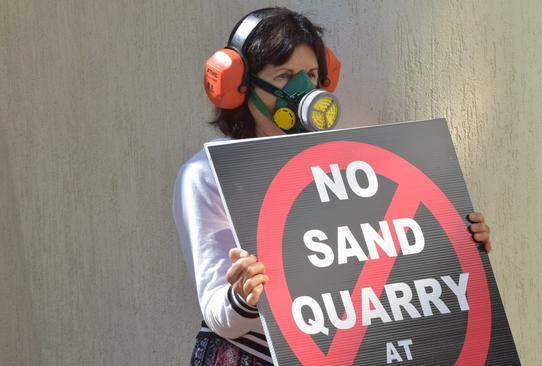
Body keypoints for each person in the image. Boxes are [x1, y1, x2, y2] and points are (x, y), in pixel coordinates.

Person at [172, 7, 493, 366]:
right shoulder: (206, 175)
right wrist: (245, 297)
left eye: (311, 74)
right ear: (240, 86)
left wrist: (456, 243)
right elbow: (220, 317)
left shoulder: (347, 165)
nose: (303, 89)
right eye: (284, 76)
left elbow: (381, 268)